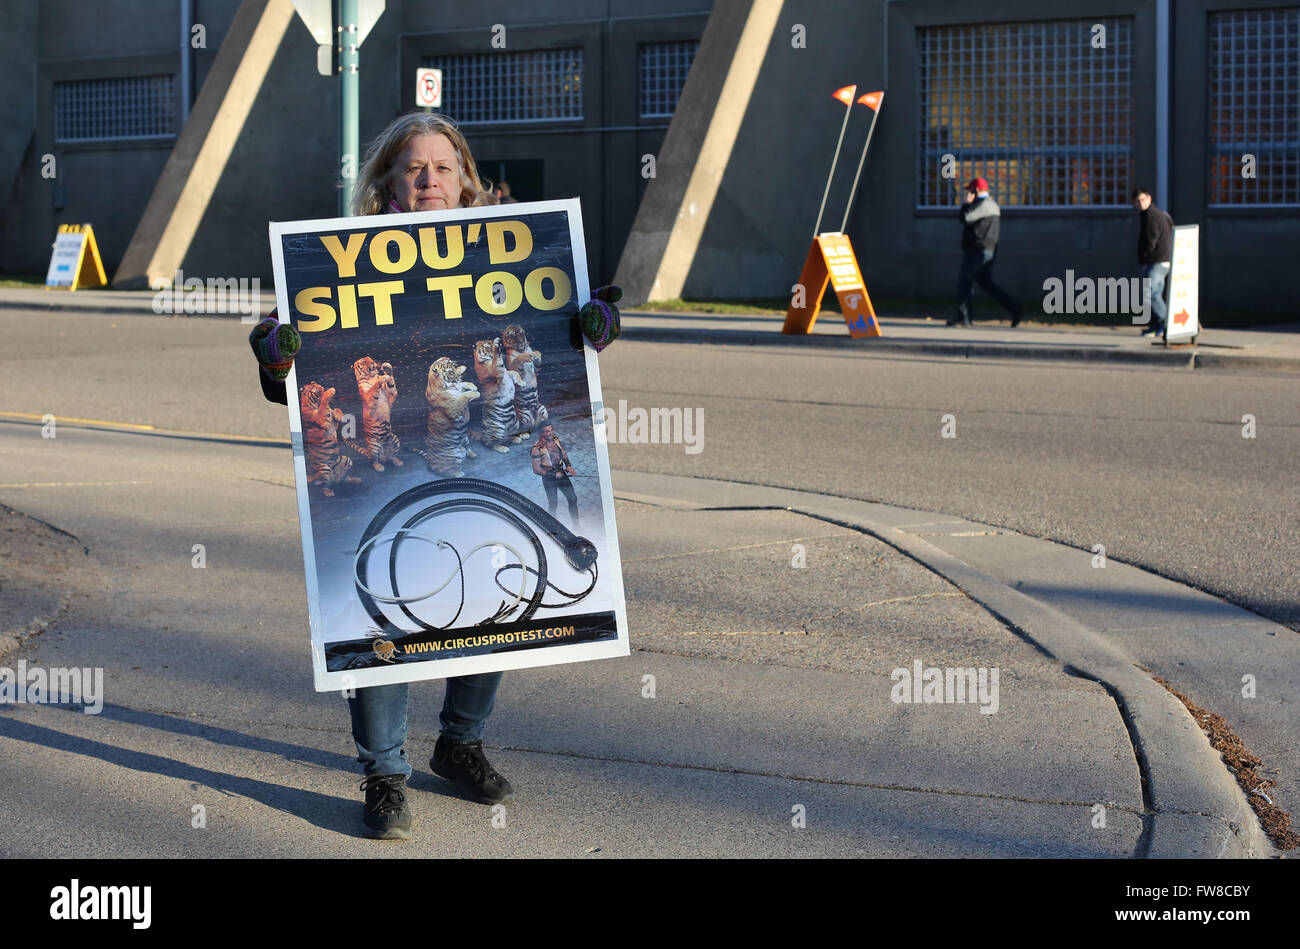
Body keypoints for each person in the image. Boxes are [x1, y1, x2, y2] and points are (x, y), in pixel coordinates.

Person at [248, 112, 618, 841]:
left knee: (501, 585)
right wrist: (274, 353)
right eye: (413, 168)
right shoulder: (336, 259)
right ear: (387, 180)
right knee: (383, 604)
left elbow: (557, 345)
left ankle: (460, 743)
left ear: (465, 178)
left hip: (487, 449)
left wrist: (592, 324)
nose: (428, 180)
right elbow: (286, 373)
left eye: (442, 167)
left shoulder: (511, 255)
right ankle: (385, 775)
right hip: (379, 460)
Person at [948, 177, 1022, 327]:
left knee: (964, 281)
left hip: (978, 249)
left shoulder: (984, 205)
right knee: (986, 284)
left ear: (976, 190)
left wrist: (967, 203)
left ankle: (964, 316)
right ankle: (1015, 308)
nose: (969, 193)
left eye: (971, 190)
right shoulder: (989, 205)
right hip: (986, 249)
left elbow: (966, 217)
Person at [1131, 187, 1173, 339]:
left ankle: (1165, 322)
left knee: (1149, 292)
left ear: (1149, 198)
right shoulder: (1154, 213)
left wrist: (1145, 255)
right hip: (1161, 260)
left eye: (1142, 200)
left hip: (1156, 260)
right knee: (1155, 292)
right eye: (1137, 201)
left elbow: (1151, 240)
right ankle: (1155, 326)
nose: (1140, 203)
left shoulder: (1151, 216)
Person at [531, 423, 579, 528]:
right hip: (548, 478)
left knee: (573, 498)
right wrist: (553, 474)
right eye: (547, 431)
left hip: (561, 472)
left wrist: (569, 465)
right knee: (553, 503)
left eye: (551, 430)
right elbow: (536, 469)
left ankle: (576, 526)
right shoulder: (536, 448)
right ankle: (552, 528)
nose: (550, 433)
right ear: (541, 433)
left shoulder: (556, 440)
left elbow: (563, 453)